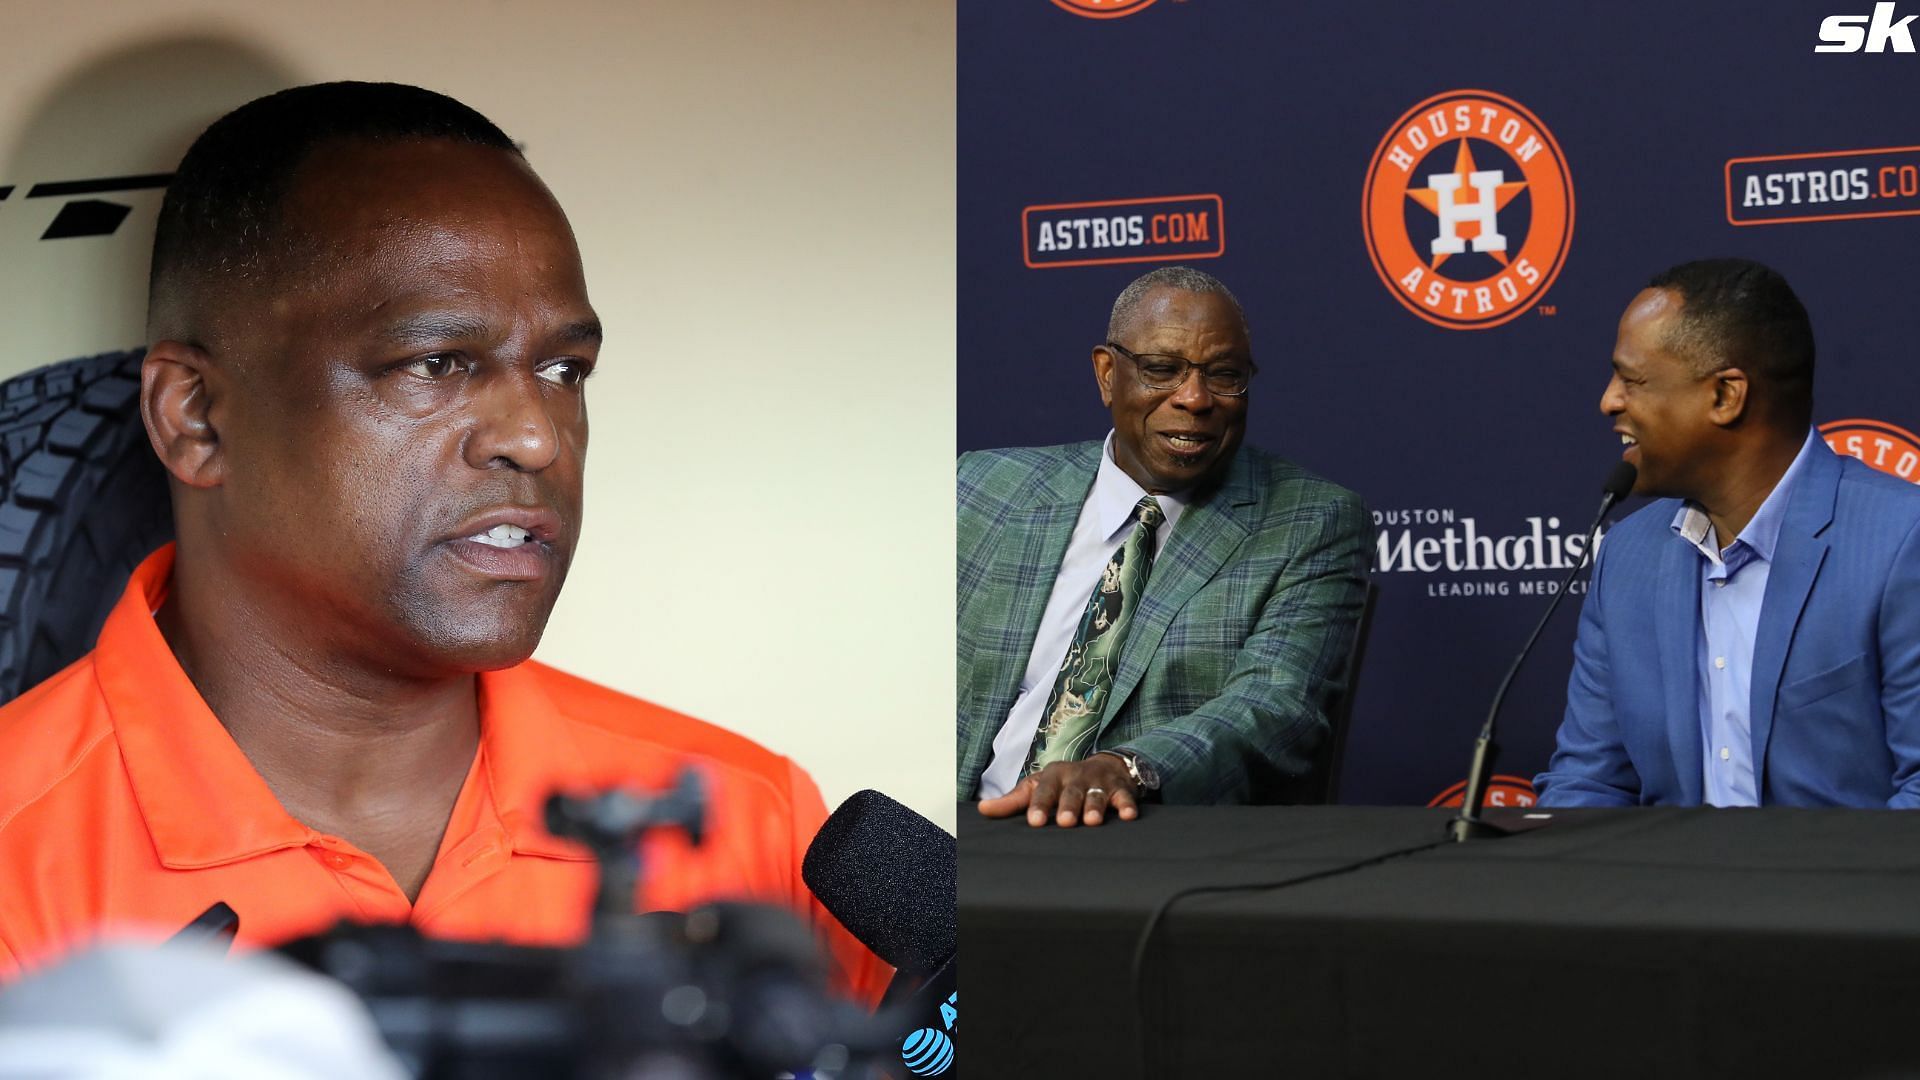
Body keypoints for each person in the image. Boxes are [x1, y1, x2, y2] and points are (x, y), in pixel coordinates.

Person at [0, 82, 887, 998]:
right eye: (437, 363)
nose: (537, 436)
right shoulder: (18, 853)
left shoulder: (747, 820)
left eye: (562, 370)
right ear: (196, 418)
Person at [957, 266, 1372, 827]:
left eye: (1224, 375)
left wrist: (1126, 769)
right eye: (1162, 370)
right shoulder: (980, 491)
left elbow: (1276, 708)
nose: (1195, 399)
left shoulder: (1310, 521)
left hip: (1137, 846)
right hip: (959, 833)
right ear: (1107, 374)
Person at [1536, 258, 1920, 807]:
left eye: (1633, 379)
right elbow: (1589, 781)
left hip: (1848, 891)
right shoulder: (1627, 556)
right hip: (1664, 892)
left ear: (1725, 396)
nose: (1609, 401)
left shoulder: (1902, 541)